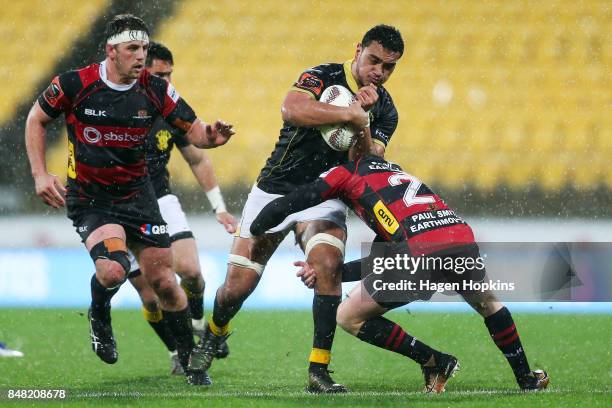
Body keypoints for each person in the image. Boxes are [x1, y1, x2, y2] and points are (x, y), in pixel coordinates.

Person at [191, 24, 403, 393]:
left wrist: (362, 122)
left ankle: (318, 372)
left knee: (328, 266)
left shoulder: (385, 111)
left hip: (326, 197)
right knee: (236, 289)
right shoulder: (321, 76)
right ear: (357, 50)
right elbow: (291, 109)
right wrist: (346, 113)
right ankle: (214, 333)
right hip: (276, 189)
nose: (379, 73)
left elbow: (365, 163)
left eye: (388, 67)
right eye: (374, 61)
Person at [24, 14, 234, 385]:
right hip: (92, 198)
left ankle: (189, 361)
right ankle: (100, 315)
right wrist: (40, 173)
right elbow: (36, 119)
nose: (141, 56)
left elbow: (195, 132)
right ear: (111, 51)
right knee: (113, 270)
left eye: (144, 49)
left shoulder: (155, 89)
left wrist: (211, 136)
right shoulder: (75, 84)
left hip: (139, 197)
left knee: (166, 283)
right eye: (133, 49)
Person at [249, 155, 550, 393]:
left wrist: (253, 230)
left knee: (348, 316)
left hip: (421, 252)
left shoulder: (345, 172)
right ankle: (526, 378)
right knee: (489, 304)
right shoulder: (395, 171)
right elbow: (381, 260)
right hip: (459, 236)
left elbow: (290, 203)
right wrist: (336, 272)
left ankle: (434, 361)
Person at [125, 42, 236, 375]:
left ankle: (199, 327)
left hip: (160, 199)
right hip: (118, 207)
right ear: (140, 71)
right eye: (160, 74)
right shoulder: (116, 106)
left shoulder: (170, 110)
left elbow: (198, 157)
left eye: (170, 74)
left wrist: (219, 207)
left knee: (190, 272)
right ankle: (177, 350)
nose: (167, 81)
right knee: (149, 295)